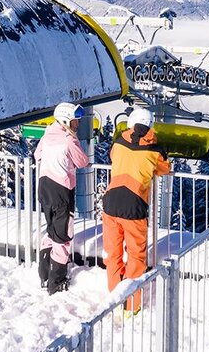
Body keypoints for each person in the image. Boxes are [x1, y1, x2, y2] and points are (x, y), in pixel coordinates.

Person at [101, 107, 170, 313]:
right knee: (135, 257)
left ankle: (114, 300)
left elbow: (113, 156)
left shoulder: (118, 143)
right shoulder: (155, 150)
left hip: (111, 203)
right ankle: (131, 305)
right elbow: (165, 168)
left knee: (112, 254)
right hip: (135, 205)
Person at [34, 102, 90, 295]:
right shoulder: (69, 140)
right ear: (66, 120)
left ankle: (44, 274)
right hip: (62, 190)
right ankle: (56, 282)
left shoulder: (48, 133)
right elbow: (83, 161)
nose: (78, 124)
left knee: (51, 230)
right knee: (63, 236)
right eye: (75, 121)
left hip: (44, 187)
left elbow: (37, 154)